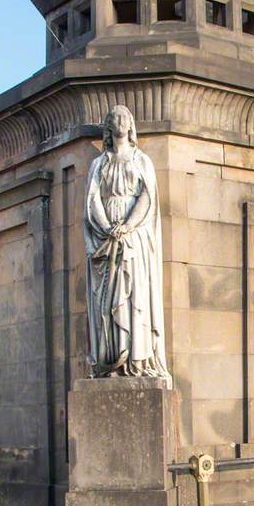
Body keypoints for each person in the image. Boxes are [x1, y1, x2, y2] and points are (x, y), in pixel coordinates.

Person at [83, 105, 171, 379]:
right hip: (107, 236)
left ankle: (137, 360)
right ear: (109, 127)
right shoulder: (99, 164)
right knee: (108, 298)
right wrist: (108, 227)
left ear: (131, 125)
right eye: (114, 118)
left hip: (134, 238)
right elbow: (92, 199)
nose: (120, 121)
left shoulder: (141, 160)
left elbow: (147, 196)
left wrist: (129, 226)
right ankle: (112, 359)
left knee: (134, 295)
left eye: (125, 117)